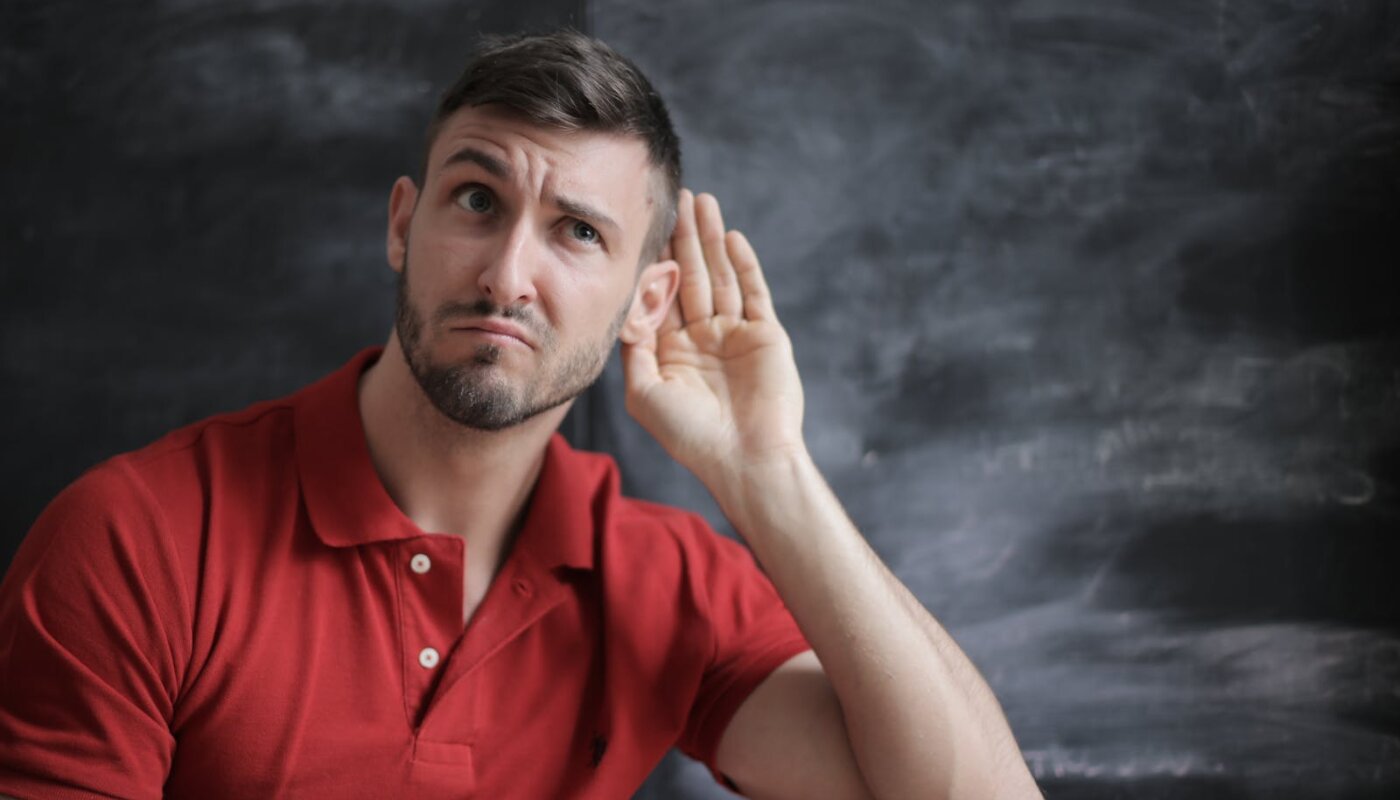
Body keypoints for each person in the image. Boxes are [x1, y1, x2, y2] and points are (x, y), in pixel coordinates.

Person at [0, 31, 1040, 800]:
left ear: (644, 300)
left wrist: (768, 472)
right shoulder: (135, 537)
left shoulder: (663, 584)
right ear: (403, 224)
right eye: (476, 200)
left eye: (577, 231)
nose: (507, 274)